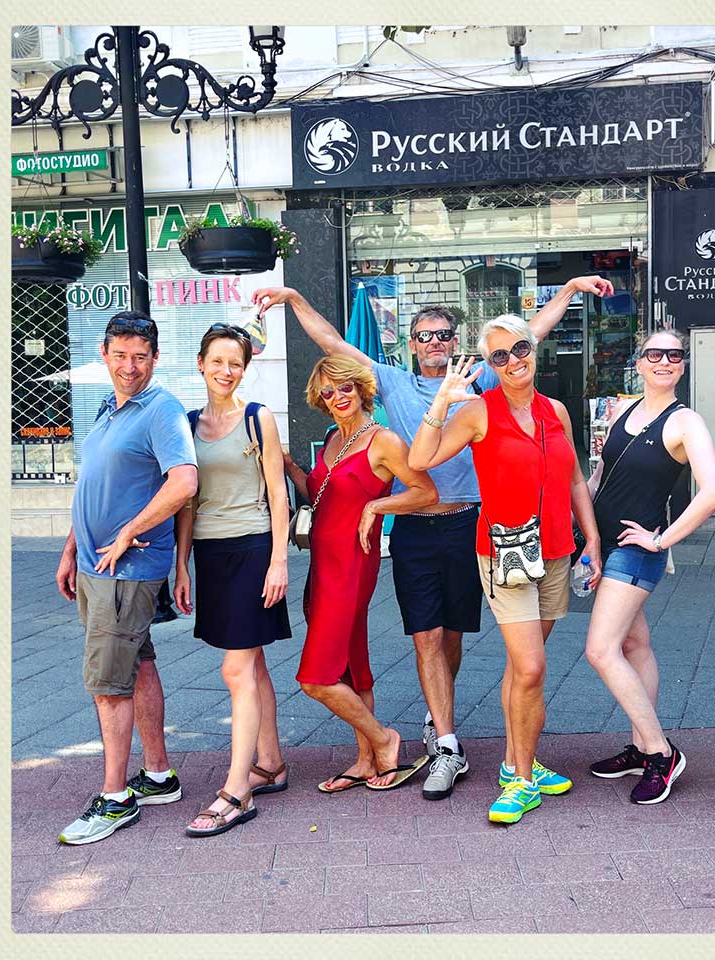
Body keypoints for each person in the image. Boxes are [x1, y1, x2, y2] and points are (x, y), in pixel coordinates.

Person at [252, 276, 612, 801]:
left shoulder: (480, 379)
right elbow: (331, 342)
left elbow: (526, 335)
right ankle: (446, 741)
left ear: (455, 341)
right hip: (416, 529)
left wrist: (570, 290)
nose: (434, 343)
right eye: (424, 336)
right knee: (426, 636)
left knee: (452, 638)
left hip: (470, 525)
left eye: (443, 334)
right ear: (412, 343)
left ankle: (444, 717)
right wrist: (294, 297)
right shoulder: (394, 382)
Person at [409, 315, 601, 824]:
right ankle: (519, 780)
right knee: (532, 667)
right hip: (505, 554)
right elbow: (421, 457)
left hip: (556, 550)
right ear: (490, 364)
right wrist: (442, 401)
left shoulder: (555, 410)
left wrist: (593, 539)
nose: (513, 361)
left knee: (522, 666)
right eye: (499, 356)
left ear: (534, 348)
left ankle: (522, 762)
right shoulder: (478, 411)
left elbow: (575, 478)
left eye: (520, 348)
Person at [55, 311, 197, 845]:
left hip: (126, 567)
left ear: (155, 358)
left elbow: (184, 482)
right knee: (137, 667)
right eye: (120, 355)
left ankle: (115, 799)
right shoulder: (107, 408)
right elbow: (93, 484)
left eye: (140, 356)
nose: (130, 366)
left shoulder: (161, 409)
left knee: (108, 685)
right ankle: (158, 776)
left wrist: (128, 531)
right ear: (104, 354)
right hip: (96, 565)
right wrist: (71, 549)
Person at [284, 356, 438, 792]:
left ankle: (383, 740)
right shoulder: (334, 438)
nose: (338, 397)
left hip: (353, 563)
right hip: (323, 563)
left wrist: (376, 505)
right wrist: (290, 466)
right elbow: (320, 493)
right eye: (328, 392)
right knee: (353, 665)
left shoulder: (383, 441)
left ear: (361, 388)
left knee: (315, 679)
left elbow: (426, 491)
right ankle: (366, 761)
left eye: (345, 387)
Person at [586, 331, 715, 804]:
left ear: (683, 365)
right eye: (654, 354)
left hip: (637, 549)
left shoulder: (685, 421)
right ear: (640, 362)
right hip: (607, 544)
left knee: (601, 650)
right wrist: (583, 532)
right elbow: (600, 478)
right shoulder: (623, 412)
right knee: (635, 644)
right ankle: (639, 748)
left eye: (674, 355)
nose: (664, 361)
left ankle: (661, 753)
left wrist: (662, 539)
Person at [172, 324, 292, 837]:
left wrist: (279, 561)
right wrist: (182, 563)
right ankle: (272, 763)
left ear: (245, 369)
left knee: (235, 669)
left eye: (235, 363)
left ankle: (237, 789)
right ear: (201, 363)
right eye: (217, 361)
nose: (226, 371)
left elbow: (279, 493)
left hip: (253, 550)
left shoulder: (257, 417)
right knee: (253, 663)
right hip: (210, 552)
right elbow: (187, 500)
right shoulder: (187, 423)